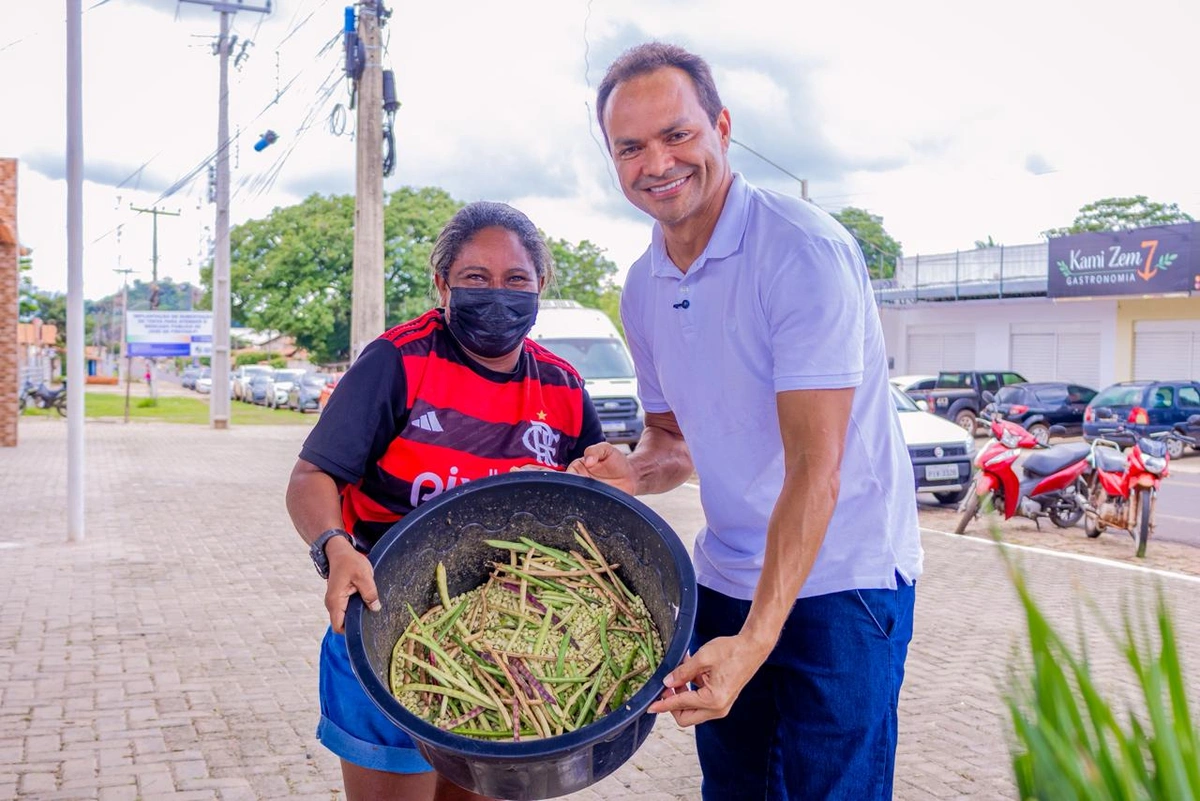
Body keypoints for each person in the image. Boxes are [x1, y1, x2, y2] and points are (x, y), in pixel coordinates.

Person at [568, 43, 923, 800]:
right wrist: (633, 471)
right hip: (726, 576)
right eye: (630, 147)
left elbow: (815, 471)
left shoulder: (802, 252)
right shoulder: (642, 285)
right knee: (734, 789)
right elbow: (671, 441)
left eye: (677, 134)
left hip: (843, 582)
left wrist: (754, 643)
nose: (656, 162)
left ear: (722, 127)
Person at [286, 201, 606, 801]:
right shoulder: (399, 361)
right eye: (475, 279)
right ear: (442, 285)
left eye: (516, 280)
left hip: (514, 645)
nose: (497, 295)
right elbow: (311, 477)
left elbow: (592, 501)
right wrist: (333, 546)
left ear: (541, 286)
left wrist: (619, 475)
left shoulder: (562, 387)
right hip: (387, 629)